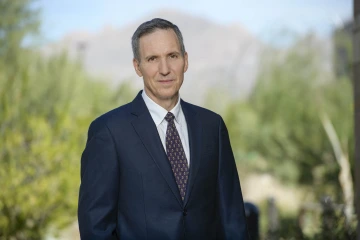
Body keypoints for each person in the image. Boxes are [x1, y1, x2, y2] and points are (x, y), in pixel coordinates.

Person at [78, 18, 249, 240]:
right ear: (137, 67)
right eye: (152, 59)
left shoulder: (212, 127)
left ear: (185, 61)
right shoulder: (109, 132)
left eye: (172, 56)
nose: (165, 69)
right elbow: (96, 228)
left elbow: (232, 216)